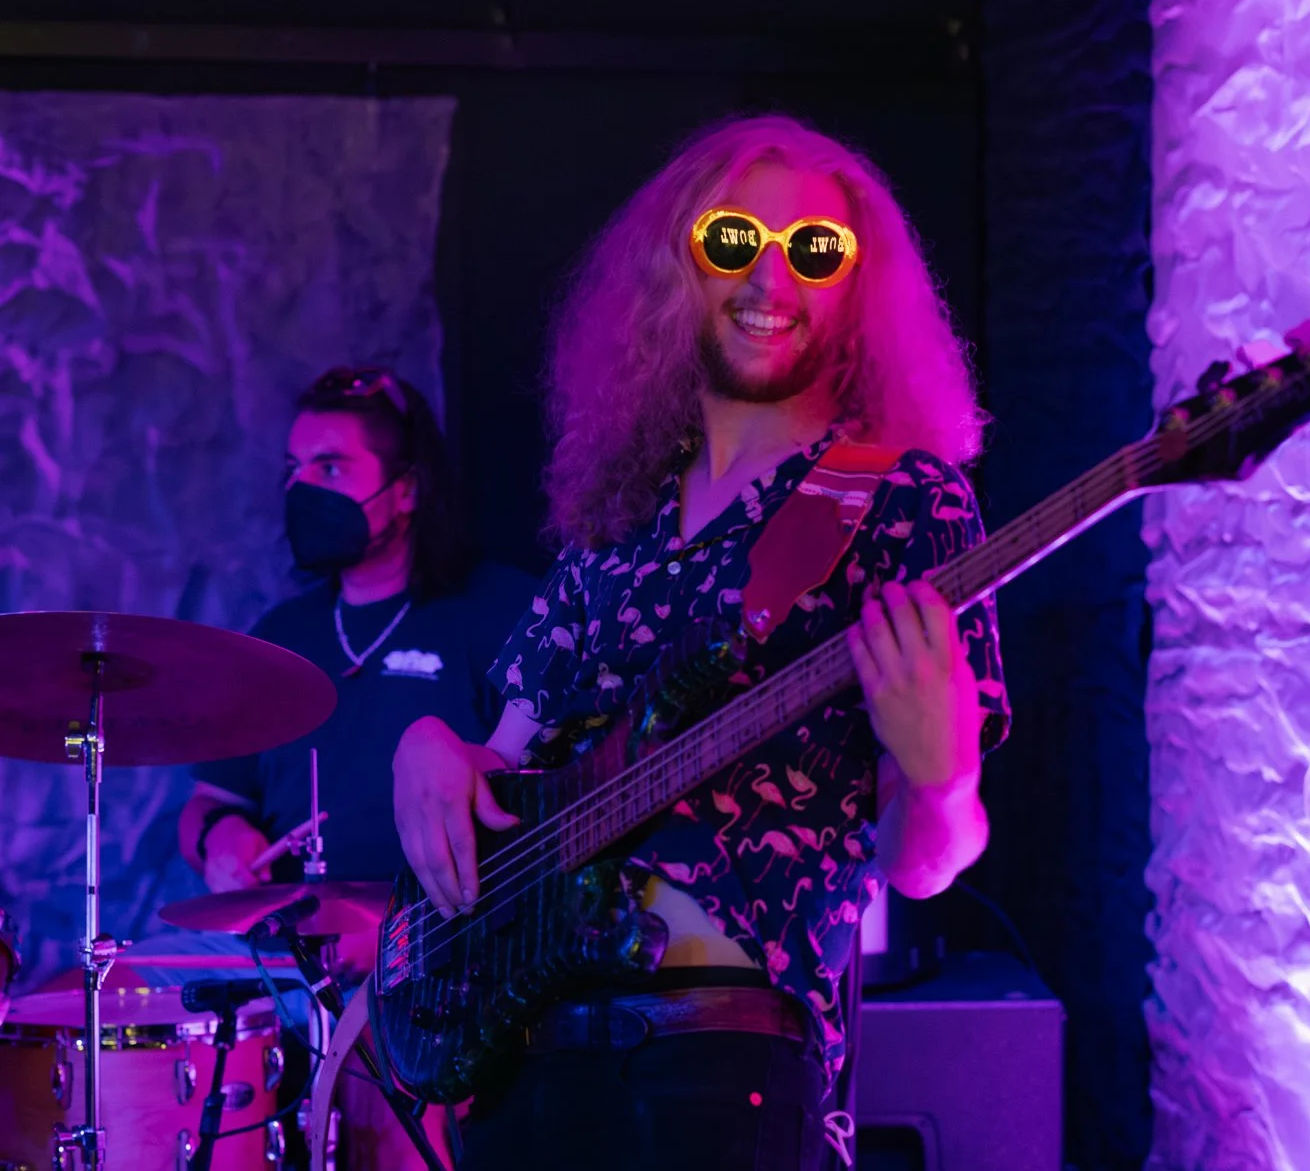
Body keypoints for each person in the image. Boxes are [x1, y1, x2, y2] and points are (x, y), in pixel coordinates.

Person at [393, 115, 1011, 1171]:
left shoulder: (903, 504)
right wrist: (428, 752)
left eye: (817, 252)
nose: (773, 279)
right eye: (735, 241)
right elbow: (509, 757)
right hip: (527, 1054)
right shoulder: (619, 516)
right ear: (678, 266)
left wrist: (945, 781)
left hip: (718, 1056)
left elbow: (922, 869)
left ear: (855, 291)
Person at [165, 368, 534, 1166]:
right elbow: (202, 806)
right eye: (293, 471)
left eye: (329, 469)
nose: (302, 489)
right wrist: (220, 839)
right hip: (293, 992)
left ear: (405, 491)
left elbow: (550, 790)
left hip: (453, 990)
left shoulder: (497, 610)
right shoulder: (279, 637)